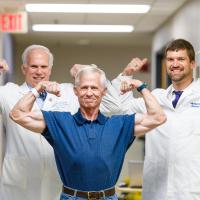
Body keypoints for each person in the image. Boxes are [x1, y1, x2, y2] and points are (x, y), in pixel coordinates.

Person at [9, 66, 166, 200]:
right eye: (84, 88)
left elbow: (158, 117)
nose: (89, 93)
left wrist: (141, 86)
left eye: (94, 88)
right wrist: (38, 88)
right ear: (75, 91)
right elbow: (18, 114)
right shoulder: (60, 121)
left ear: (104, 92)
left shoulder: (120, 124)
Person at [0, 45, 120, 200]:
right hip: (20, 180)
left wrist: (88, 70)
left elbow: (114, 106)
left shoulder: (68, 92)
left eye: (44, 66)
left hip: (58, 179)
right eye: (33, 66)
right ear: (24, 68)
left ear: (50, 69)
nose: (39, 71)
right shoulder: (9, 92)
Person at [116, 39, 200, 200]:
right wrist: (126, 75)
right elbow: (119, 108)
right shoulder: (155, 97)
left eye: (181, 59)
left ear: (192, 64)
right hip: (156, 191)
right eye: (170, 60)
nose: (175, 64)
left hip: (192, 190)